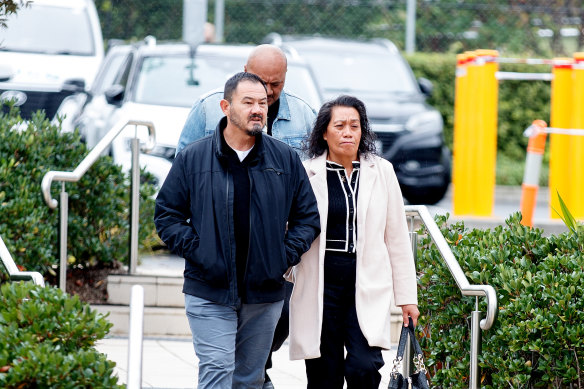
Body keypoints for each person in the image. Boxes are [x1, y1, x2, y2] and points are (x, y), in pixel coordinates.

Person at [154, 72, 320, 389]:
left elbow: (307, 217)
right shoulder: (194, 157)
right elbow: (167, 214)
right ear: (225, 107)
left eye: (262, 103)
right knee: (216, 370)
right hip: (209, 290)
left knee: (249, 379)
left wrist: (282, 257)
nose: (258, 109)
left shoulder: (284, 158)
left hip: (265, 293)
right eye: (248, 102)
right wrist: (199, 252)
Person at [287, 95, 420, 388]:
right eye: (340, 126)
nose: (348, 132)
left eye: (354, 126)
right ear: (324, 132)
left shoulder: (381, 171)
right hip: (321, 285)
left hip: (367, 282)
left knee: (365, 367)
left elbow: (396, 237)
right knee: (324, 374)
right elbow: (290, 228)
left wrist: (407, 297)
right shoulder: (307, 173)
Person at [175, 44, 316, 156]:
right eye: (260, 81)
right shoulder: (207, 107)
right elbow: (183, 165)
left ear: (285, 76)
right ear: (245, 71)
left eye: (276, 84)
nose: (267, 91)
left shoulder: (304, 113)